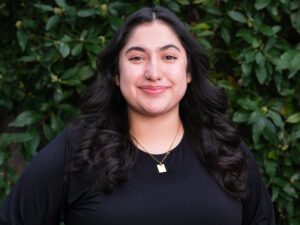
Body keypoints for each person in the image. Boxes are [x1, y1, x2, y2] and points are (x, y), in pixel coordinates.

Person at [0, 6, 275, 225]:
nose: (153, 72)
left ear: (189, 72)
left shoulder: (226, 151)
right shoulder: (76, 152)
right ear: (116, 75)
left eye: (169, 57)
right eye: (136, 58)